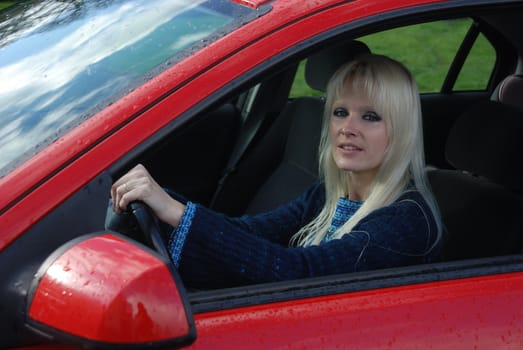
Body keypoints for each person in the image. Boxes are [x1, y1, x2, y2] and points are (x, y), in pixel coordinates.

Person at [111, 54, 443, 288]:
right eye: (340, 112)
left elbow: (296, 274)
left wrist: (176, 213)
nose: (347, 128)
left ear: (400, 130)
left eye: (370, 116)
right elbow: (250, 232)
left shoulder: (405, 220)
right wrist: (163, 203)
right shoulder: (330, 192)